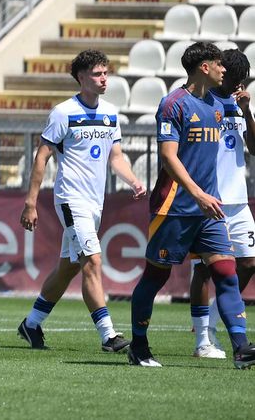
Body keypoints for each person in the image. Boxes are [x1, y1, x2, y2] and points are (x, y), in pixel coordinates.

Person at [126, 41, 255, 368]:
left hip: (209, 210)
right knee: (156, 278)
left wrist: (247, 107)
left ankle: (241, 347)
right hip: (175, 207)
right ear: (204, 67)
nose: (224, 70)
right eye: (219, 64)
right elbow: (169, 158)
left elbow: (247, 134)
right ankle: (138, 346)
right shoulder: (173, 104)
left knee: (227, 273)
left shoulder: (217, 103)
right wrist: (197, 193)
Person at [17, 49, 144, 352]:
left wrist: (134, 180)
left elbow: (116, 158)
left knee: (68, 267)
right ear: (82, 78)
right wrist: (31, 202)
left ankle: (31, 324)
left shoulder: (111, 112)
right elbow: (42, 156)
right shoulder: (63, 113)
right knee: (92, 261)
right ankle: (108, 335)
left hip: (94, 202)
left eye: (106, 72)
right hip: (71, 199)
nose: (104, 79)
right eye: (98, 74)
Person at [189, 48, 255, 358]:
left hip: (238, 200)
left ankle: (213, 322)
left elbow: (253, 149)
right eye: (234, 79)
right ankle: (203, 339)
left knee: (248, 263)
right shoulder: (202, 100)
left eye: (242, 81)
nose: (237, 86)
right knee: (204, 271)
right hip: (208, 198)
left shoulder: (239, 104)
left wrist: (246, 110)